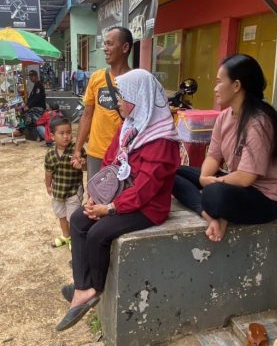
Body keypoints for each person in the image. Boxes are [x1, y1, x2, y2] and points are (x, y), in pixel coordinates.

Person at [56, 69, 181, 331]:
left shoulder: (161, 139)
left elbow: (146, 189)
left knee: (98, 233)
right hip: (121, 197)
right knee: (79, 218)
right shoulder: (130, 125)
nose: (118, 103)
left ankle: (94, 289)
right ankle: (83, 287)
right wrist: (96, 197)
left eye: (123, 97)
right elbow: (110, 160)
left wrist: (110, 208)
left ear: (140, 97)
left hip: (149, 208)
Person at [172, 54, 277, 243]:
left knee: (215, 195)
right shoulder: (224, 117)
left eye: (219, 82)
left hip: (264, 198)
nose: (215, 88)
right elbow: (213, 155)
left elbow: (246, 178)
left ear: (236, 86)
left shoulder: (258, 123)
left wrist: (212, 184)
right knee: (172, 172)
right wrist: (205, 178)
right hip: (236, 185)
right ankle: (208, 214)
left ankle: (213, 207)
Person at [72, 27, 133, 179]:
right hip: (96, 152)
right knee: (95, 196)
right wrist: (78, 149)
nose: (105, 49)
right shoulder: (96, 78)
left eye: (110, 44)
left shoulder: (137, 80)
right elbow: (87, 115)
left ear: (125, 47)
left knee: (120, 199)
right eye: (104, 44)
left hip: (126, 153)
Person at [44, 116, 86, 249]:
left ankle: (74, 239)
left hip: (74, 191)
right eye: (61, 133)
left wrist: (82, 165)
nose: (66, 136)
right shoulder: (50, 153)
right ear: (52, 136)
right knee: (61, 215)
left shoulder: (77, 150)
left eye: (68, 132)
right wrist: (48, 185)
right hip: (58, 191)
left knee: (73, 217)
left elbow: (86, 167)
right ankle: (65, 236)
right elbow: (48, 171)